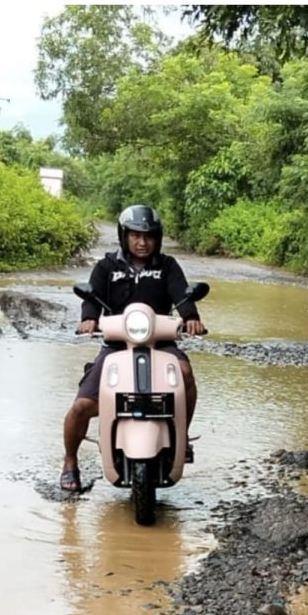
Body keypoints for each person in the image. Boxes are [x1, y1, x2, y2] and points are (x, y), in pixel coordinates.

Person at [60, 205, 206, 492]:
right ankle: (69, 461)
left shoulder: (167, 266)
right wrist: (88, 319)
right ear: (124, 236)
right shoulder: (106, 267)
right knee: (81, 407)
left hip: (162, 343)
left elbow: (182, 294)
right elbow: (91, 297)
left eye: (149, 237)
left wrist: (191, 318)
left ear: (158, 239)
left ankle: (182, 437)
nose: (142, 242)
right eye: (135, 236)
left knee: (185, 373)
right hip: (116, 346)